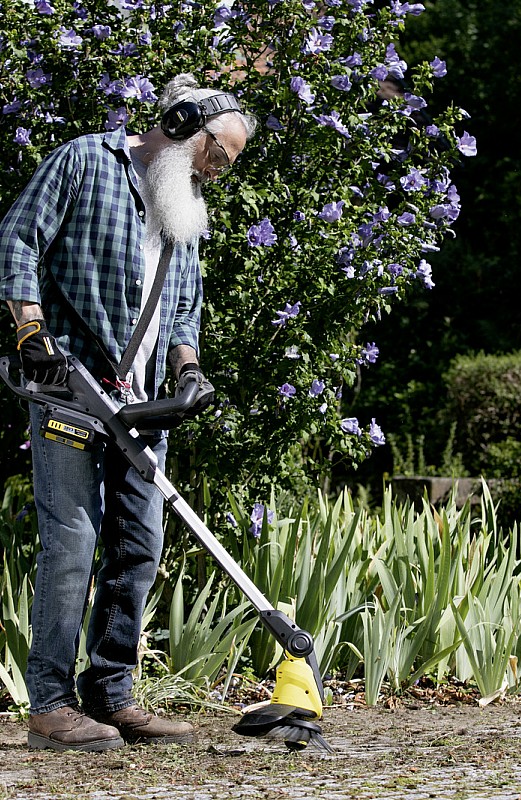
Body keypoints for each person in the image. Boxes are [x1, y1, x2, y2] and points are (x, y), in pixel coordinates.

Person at [0, 74, 257, 751]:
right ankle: (50, 707)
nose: (217, 170)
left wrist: (189, 371)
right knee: (73, 542)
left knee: (138, 548)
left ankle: (111, 696)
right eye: (217, 154)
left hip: (143, 406)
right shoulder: (85, 161)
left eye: (226, 163)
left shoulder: (183, 202)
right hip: (70, 390)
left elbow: (184, 305)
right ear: (180, 124)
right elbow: (18, 239)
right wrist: (32, 333)